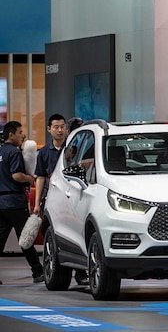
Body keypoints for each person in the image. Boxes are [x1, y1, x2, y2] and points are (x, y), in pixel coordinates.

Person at [33, 114, 88, 286]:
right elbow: (40, 178)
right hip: (52, 198)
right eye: (56, 127)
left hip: (71, 198)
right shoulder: (43, 153)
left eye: (62, 126)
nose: (60, 130)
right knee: (51, 232)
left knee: (74, 231)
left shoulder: (73, 149)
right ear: (49, 129)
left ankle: (81, 272)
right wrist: (36, 204)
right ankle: (55, 270)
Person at [0, 121, 45, 284]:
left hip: (1, 202)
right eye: (20, 132)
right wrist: (30, 178)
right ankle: (38, 272)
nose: (22, 135)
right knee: (26, 239)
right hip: (14, 202)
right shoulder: (14, 152)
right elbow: (16, 175)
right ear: (11, 134)